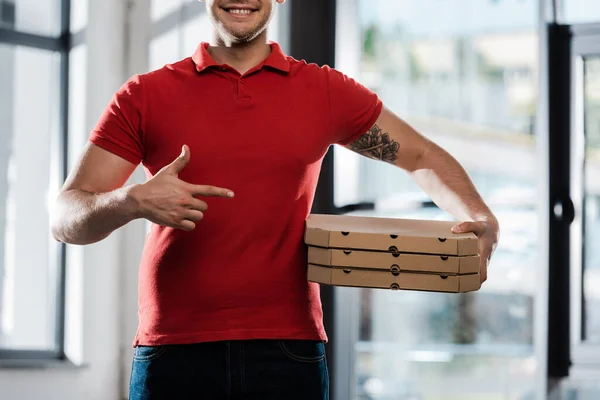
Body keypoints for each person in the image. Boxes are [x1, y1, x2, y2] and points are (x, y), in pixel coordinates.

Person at [51, 0, 500, 399]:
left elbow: (419, 154)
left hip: (288, 350)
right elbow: (66, 216)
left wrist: (479, 216)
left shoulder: (324, 91)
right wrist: (131, 200)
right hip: (172, 349)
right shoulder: (143, 96)